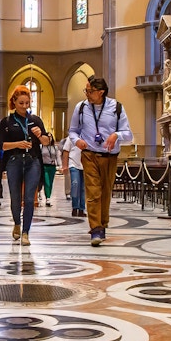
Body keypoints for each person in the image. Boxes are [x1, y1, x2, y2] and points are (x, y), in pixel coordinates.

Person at [69, 74, 133, 246]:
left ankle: (102, 225)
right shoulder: (80, 108)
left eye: (90, 91)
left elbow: (128, 134)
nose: (87, 94)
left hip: (110, 156)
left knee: (105, 192)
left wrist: (116, 135)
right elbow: (73, 130)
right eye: (86, 91)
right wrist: (77, 141)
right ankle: (95, 229)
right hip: (89, 154)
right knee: (93, 192)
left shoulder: (116, 107)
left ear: (101, 92)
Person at [0, 85, 50, 246]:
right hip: (14, 161)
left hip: (32, 161)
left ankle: (26, 232)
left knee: (29, 198)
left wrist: (40, 136)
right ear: (14, 102)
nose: (25, 106)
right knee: (15, 197)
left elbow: (47, 142)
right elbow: (1, 145)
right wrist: (17, 144)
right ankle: (17, 224)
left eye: (27, 103)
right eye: (21, 103)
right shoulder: (6, 122)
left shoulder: (35, 120)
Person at [62, 136, 86, 217]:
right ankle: (75, 207)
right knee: (75, 184)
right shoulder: (71, 138)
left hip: (85, 165)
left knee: (83, 188)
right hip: (73, 163)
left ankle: (82, 209)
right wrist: (64, 165)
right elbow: (66, 151)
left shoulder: (87, 135)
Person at [41, 133, 62, 206]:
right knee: (46, 182)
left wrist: (60, 166)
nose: (49, 138)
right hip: (44, 166)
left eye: (50, 137)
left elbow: (58, 157)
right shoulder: (41, 147)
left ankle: (48, 196)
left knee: (50, 182)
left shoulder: (55, 147)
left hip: (52, 166)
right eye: (48, 137)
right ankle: (47, 198)